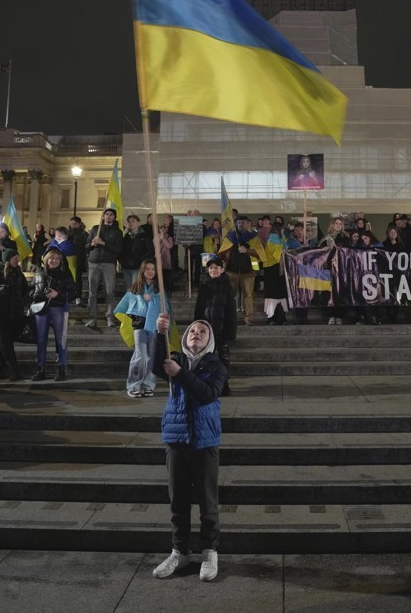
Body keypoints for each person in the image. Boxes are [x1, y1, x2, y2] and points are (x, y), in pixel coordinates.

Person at [150, 314, 225, 582]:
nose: (196, 333)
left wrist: (180, 374)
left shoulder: (217, 367)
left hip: (205, 441)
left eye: (202, 331)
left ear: (209, 340)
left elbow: (206, 394)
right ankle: (179, 551)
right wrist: (160, 334)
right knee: (178, 500)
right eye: (192, 330)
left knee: (208, 501)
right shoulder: (175, 359)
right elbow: (157, 367)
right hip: (176, 438)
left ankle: (209, 551)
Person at [114, 259, 170, 397]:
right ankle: (133, 385)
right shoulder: (135, 288)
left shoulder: (159, 289)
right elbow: (126, 306)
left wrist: (153, 299)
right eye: (148, 269)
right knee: (141, 355)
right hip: (139, 325)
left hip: (154, 326)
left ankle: (148, 384)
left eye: (153, 269)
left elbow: (165, 307)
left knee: (152, 355)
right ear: (142, 271)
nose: (150, 271)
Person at [30, 248, 78, 381]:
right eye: (52, 258)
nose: (54, 261)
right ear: (46, 259)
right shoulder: (39, 272)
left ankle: (61, 368)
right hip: (41, 309)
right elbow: (31, 289)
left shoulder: (65, 274)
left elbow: (74, 292)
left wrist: (58, 294)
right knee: (40, 340)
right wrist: (35, 296)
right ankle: (40, 369)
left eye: (57, 258)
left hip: (58, 308)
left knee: (60, 340)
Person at [0, 249, 29, 381]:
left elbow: (24, 290)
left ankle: (0, 369)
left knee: (6, 340)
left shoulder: (19, 273)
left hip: (16, 313)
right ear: (7, 259)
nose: (17, 260)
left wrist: (26, 301)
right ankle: (15, 371)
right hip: (0, 313)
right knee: (7, 341)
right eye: (15, 257)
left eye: (17, 257)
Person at [194, 255, 236, 395]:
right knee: (206, 358)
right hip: (206, 329)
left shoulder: (227, 287)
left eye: (216, 268)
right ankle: (209, 384)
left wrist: (230, 331)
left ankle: (224, 384)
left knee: (223, 358)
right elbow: (199, 308)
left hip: (221, 329)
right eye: (211, 268)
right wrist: (196, 327)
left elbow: (231, 311)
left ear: (222, 269)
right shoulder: (204, 286)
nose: (213, 270)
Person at [85, 208, 124, 328]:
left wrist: (103, 243)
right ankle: (92, 319)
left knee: (110, 292)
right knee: (92, 293)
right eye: (106, 214)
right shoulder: (95, 229)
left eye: (111, 214)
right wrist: (92, 244)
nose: (108, 216)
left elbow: (118, 249)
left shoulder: (117, 232)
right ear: (103, 217)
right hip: (93, 263)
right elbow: (86, 246)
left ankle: (110, 318)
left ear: (114, 217)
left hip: (108, 264)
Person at [220, 216, 257, 325]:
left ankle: (249, 319)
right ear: (236, 224)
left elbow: (260, 253)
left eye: (243, 222)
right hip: (232, 272)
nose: (241, 224)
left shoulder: (253, 238)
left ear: (248, 224)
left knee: (248, 296)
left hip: (248, 272)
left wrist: (248, 250)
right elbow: (222, 252)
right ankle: (229, 319)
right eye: (239, 222)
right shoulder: (230, 237)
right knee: (230, 296)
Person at [121, 215, 153, 288]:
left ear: (138, 223)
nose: (130, 223)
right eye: (129, 222)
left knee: (135, 288)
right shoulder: (125, 237)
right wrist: (122, 261)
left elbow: (150, 251)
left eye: (133, 221)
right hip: (126, 266)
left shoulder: (144, 236)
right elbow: (121, 250)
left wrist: (141, 260)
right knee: (129, 289)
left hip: (138, 266)